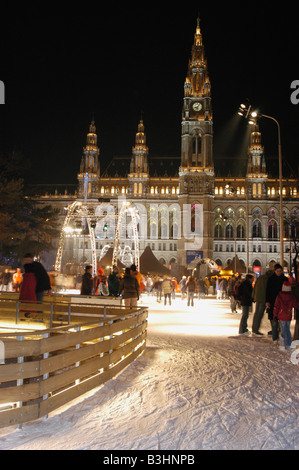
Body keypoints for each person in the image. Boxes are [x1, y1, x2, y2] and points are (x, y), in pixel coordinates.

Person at [273, 278, 299, 350]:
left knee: (283, 330)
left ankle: (282, 344)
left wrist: (275, 314)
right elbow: (296, 305)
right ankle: (289, 344)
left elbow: (276, 306)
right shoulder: (292, 296)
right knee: (287, 330)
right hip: (288, 315)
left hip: (281, 315)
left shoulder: (279, 296)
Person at [266, 263, 288, 342]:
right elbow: (268, 291)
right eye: (278, 271)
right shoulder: (271, 279)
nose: (279, 272)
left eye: (280, 271)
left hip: (282, 302)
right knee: (274, 320)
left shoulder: (285, 279)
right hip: (273, 301)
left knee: (282, 320)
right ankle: (275, 337)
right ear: (274, 271)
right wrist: (267, 301)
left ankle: (283, 338)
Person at [252, 270, 273, 336]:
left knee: (257, 313)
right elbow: (268, 290)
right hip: (263, 298)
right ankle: (256, 330)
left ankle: (254, 329)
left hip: (257, 297)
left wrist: (253, 296)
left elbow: (255, 287)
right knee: (260, 314)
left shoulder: (260, 278)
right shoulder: (268, 279)